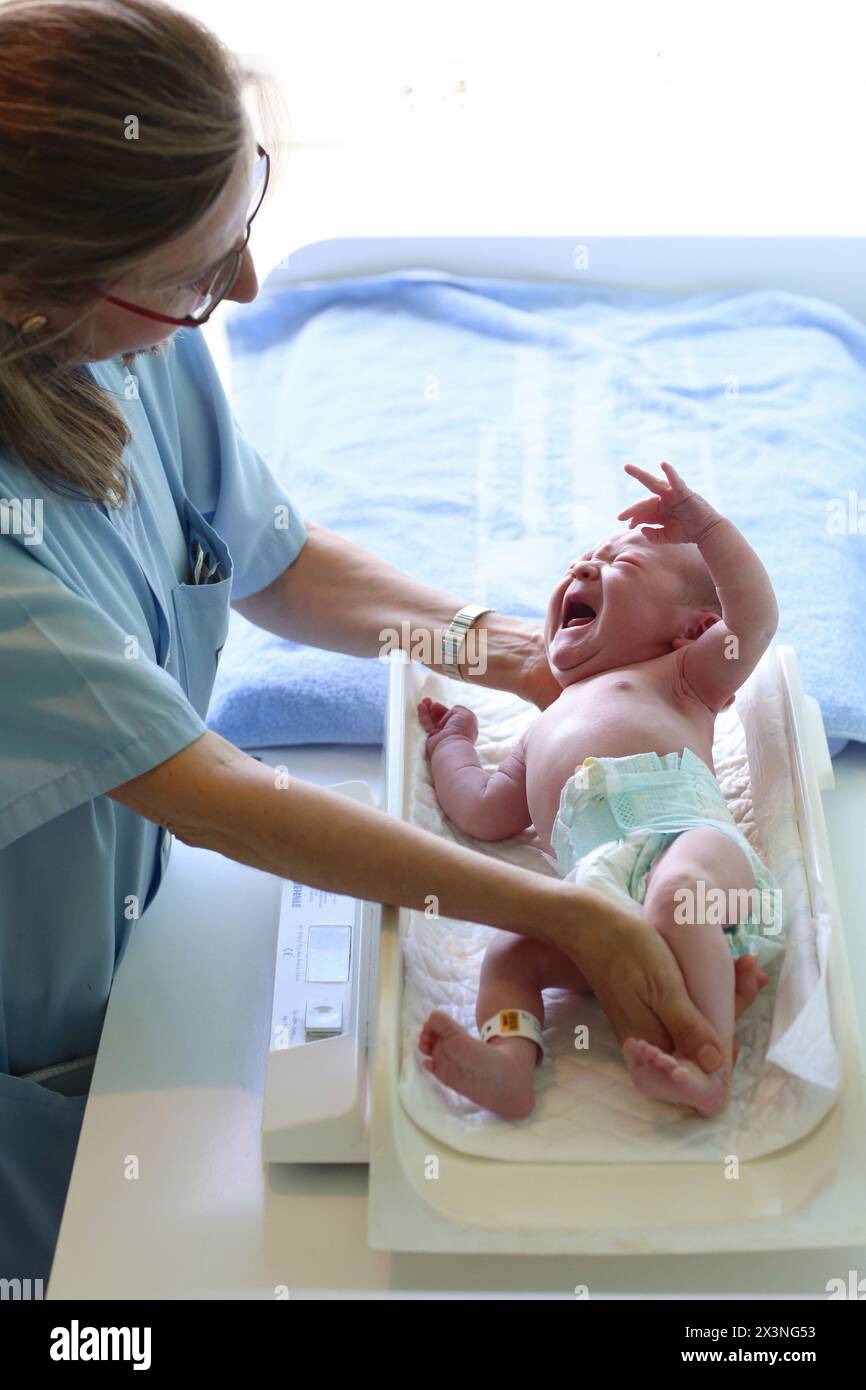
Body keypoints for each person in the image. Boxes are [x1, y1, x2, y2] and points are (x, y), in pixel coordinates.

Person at [0, 0, 754, 1284]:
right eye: (196, 274)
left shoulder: (119, 348)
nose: (238, 288)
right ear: (33, 294)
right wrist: (567, 913)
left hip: (162, 946)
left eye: (242, 222)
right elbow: (215, 793)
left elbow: (277, 561)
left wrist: (511, 654)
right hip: (49, 1031)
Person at [418, 462, 776, 1119]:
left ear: (692, 628)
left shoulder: (685, 674)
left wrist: (707, 529)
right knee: (511, 950)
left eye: (621, 564)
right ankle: (509, 1065)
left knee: (679, 894)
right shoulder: (543, 728)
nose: (583, 570)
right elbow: (481, 811)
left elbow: (754, 622)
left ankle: (707, 1066)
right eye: (580, 563)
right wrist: (452, 745)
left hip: (689, 842)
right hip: (594, 905)